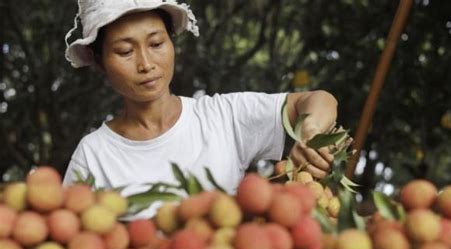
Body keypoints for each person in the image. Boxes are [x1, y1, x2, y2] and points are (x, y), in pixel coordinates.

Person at [63, 0, 338, 218]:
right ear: (100, 63)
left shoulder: (223, 117)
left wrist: (310, 130)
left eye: (157, 43)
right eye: (125, 51)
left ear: (172, 43)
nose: (146, 63)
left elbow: (319, 100)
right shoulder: (93, 154)